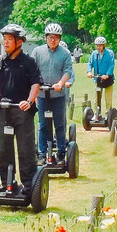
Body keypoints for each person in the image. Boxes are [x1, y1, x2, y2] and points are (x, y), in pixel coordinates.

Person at [0, 24, 41, 192]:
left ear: (19, 42)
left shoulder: (29, 62)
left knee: (25, 150)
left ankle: (29, 186)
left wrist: (29, 101)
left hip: (22, 111)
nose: (6, 43)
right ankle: (6, 184)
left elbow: (35, 84)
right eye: (5, 39)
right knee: (3, 150)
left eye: (9, 40)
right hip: (3, 111)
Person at [31, 22, 74, 163]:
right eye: (50, 37)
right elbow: (31, 69)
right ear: (46, 38)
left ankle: (61, 152)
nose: (53, 40)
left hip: (58, 95)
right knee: (42, 124)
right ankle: (42, 154)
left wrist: (61, 83)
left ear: (60, 38)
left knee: (59, 124)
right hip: (42, 95)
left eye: (55, 37)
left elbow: (68, 71)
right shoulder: (37, 52)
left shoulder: (65, 53)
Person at [86, 36, 116, 112]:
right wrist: (89, 72)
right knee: (97, 98)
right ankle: (97, 114)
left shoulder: (109, 53)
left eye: (100, 45)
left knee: (108, 99)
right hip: (98, 79)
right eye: (97, 45)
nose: (98, 47)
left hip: (108, 79)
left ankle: (108, 114)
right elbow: (90, 63)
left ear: (104, 45)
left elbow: (111, 65)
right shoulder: (94, 54)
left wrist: (107, 75)